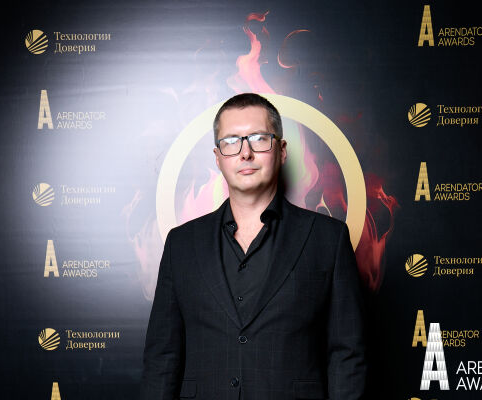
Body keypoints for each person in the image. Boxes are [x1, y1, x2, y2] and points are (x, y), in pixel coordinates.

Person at [139, 93, 366, 400]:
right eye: (231, 142)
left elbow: (347, 356)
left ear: (281, 151)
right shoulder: (181, 244)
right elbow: (162, 360)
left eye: (259, 139)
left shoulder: (328, 239)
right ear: (217, 157)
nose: (245, 153)